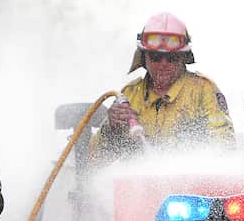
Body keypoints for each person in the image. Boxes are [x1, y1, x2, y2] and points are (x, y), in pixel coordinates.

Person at [92, 11, 236, 159]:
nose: (163, 64)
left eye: (171, 57)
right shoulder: (129, 96)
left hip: (191, 180)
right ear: (144, 57)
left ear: (183, 57)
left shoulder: (203, 90)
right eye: (156, 56)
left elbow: (225, 148)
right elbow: (95, 160)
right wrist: (111, 127)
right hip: (137, 181)